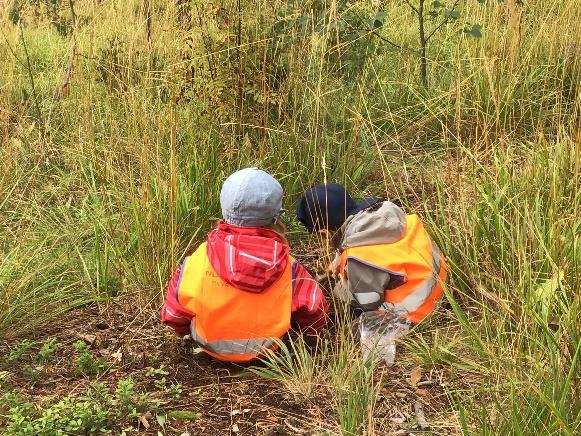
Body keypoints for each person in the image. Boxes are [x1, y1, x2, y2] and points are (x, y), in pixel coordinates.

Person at [162, 168, 328, 363]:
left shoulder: (198, 260)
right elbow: (316, 310)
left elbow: (173, 314)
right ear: (275, 217)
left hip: (210, 348)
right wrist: (304, 333)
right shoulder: (288, 266)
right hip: (269, 350)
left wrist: (185, 331)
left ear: (225, 210)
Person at [296, 183, 446, 326]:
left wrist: (339, 288)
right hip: (440, 287)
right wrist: (337, 262)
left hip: (419, 311)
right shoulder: (388, 219)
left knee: (358, 330)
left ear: (324, 235)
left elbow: (368, 302)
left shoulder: (359, 258)